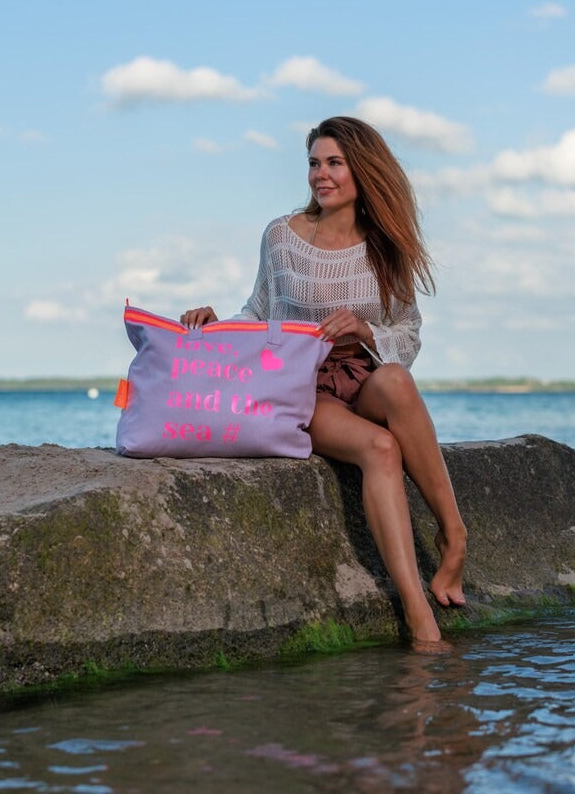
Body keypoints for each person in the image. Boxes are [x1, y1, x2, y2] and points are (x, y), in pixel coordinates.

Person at [182, 116, 467, 645]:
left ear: (362, 168)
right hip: (300, 384)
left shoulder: (387, 245)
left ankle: (454, 534)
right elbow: (259, 310)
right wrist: (214, 325)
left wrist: (364, 330)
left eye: (334, 162)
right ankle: (417, 613)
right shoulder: (282, 237)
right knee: (380, 449)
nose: (321, 174)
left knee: (399, 380)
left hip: (361, 371)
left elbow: (408, 332)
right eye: (314, 163)